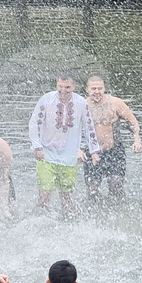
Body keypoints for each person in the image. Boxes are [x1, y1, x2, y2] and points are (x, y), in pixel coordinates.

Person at [28, 72, 101, 212]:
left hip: (70, 155)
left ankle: (68, 224)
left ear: (74, 86)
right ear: (56, 84)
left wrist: (94, 151)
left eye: (67, 87)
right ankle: (39, 223)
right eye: (60, 87)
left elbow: (89, 127)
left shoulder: (80, 103)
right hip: (47, 153)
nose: (63, 91)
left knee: (66, 197)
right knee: (44, 194)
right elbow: (33, 124)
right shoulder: (46, 99)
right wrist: (37, 147)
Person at [82, 77, 142, 200]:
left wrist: (137, 140)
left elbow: (133, 122)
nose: (97, 91)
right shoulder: (82, 105)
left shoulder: (115, 103)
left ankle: (117, 212)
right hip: (92, 151)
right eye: (93, 89)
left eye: (100, 88)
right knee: (92, 189)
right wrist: (76, 149)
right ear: (87, 90)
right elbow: (73, 130)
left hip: (114, 150)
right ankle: (97, 213)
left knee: (116, 184)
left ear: (104, 89)